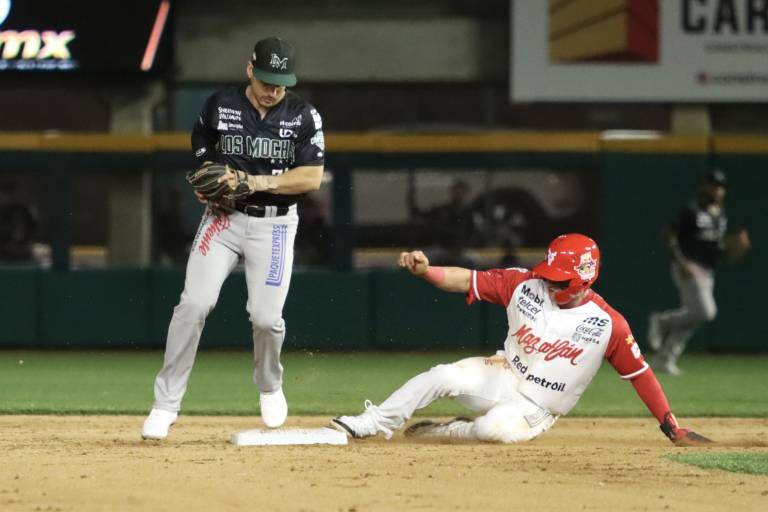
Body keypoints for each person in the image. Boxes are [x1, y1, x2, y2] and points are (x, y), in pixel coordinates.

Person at [332, 234, 710, 446]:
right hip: (502, 373)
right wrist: (426, 271)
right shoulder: (524, 283)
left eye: (559, 278)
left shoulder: (609, 324)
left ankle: (450, 431)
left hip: (538, 407)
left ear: (584, 277)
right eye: (548, 273)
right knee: (441, 375)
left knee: (491, 430)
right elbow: (465, 280)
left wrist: (671, 425)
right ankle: (373, 421)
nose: (549, 281)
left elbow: (641, 375)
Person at [142, 37, 325, 439]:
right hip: (223, 218)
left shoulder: (303, 115)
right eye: (266, 81)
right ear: (249, 70)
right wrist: (206, 176)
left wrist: (253, 181)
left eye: (281, 83)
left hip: (275, 225)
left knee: (266, 319)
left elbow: (311, 177)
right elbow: (201, 140)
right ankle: (165, 405)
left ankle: (269, 384)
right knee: (193, 304)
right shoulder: (220, 105)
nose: (273, 90)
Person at [648, 170, 750, 375]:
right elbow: (669, 235)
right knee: (706, 312)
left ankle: (666, 358)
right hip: (688, 266)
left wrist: (736, 249)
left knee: (694, 316)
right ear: (704, 187)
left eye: (720, 187)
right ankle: (662, 321)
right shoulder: (691, 210)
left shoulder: (720, 214)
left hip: (706, 270)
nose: (717, 190)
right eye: (713, 185)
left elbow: (717, 250)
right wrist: (681, 261)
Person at [410, 179, 477, 267]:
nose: (457, 194)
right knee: (419, 260)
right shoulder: (443, 209)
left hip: (460, 250)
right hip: (441, 248)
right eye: (455, 192)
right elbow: (420, 214)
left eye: (460, 192)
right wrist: (411, 197)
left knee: (473, 261)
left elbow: (472, 232)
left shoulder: (468, 212)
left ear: (465, 194)